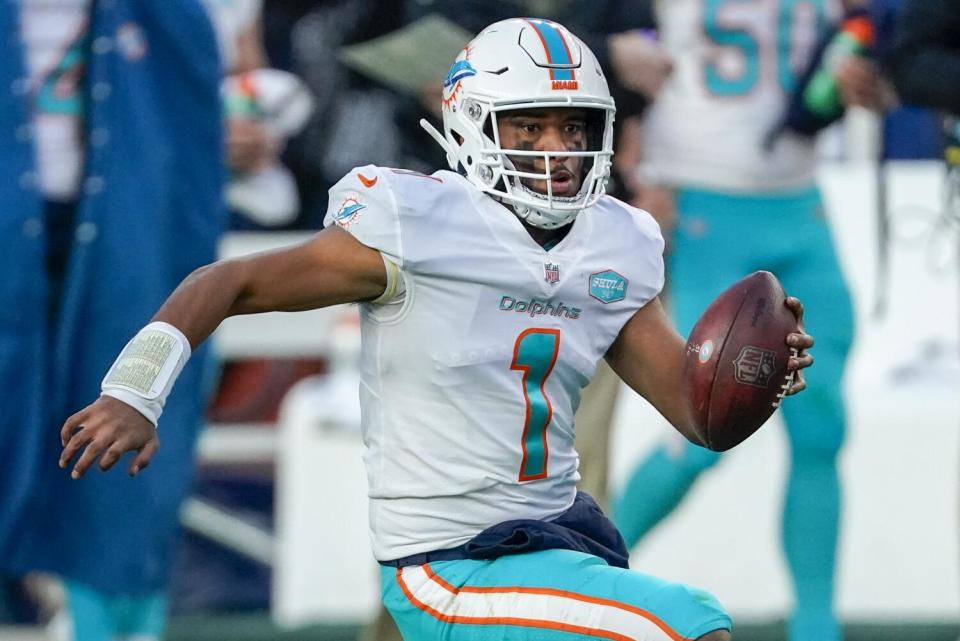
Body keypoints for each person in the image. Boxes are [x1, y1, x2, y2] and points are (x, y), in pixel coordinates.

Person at [59, 19, 814, 641]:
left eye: (572, 126)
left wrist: (756, 375)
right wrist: (135, 388)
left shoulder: (617, 240)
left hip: (561, 537)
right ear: (472, 126)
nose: (555, 149)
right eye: (529, 126)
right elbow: (226, 281)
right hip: (449, 561)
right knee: (688, 625)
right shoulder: (415, 224)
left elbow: (697, 415)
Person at [611, 2, 883, 640]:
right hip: (704, 202)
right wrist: (632, 168)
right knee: (702, 425)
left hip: (800, 205)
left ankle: (817, 625)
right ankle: (583, 571)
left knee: (823, 425)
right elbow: (611, 45)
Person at [0, 1, 225, 639]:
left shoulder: (174, 16)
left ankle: (114, 628)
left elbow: (195, 159)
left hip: (128, 261)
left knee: (121, 487)